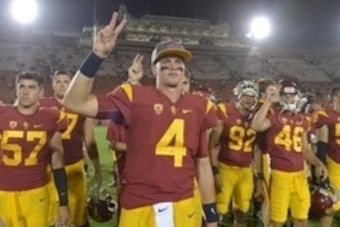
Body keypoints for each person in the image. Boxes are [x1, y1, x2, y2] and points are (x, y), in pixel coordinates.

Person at [62, 12, 218, 227]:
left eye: (178, 61)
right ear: (154, 68)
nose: (173, 66)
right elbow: (74, 102)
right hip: (140, 204)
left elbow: (202, 163)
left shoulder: (199, 105)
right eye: (166, 61)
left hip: (184, 203)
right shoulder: (134, 97)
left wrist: (211, 216)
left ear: (185, 70)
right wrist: (97, 55)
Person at [251, 79, 328, 227]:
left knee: (301, 219)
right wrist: (268, 102)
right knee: (277, 221)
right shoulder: (273, 116)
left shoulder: (303, 119)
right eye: (285, 95)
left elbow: (305, 149)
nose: (289, 98)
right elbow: (256, 125)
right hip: (280, 175)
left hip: (299, 176)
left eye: (291, 95)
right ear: (280, 96)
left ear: (297, 96)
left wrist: (319, 163)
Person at [0, 72, 70, 226]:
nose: (26, 92)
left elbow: (57, 162)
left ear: (41, 91)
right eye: (22, 87)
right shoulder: (2, 114)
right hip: (3, 192)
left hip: (37, 192)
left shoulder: (52, 116)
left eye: (32, 87)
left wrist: (63, 202)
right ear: (16, 90)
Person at [39, 70, 102, 227]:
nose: (61, 85)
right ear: (52, 84)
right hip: (49, 167)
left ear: (71, 85)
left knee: (78, 214)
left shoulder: (81, 106)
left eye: (66, 81)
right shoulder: (42, 104)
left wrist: (97, 168)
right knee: (49, 214)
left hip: (74, 166)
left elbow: (89, 139)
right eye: (58, 81)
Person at [209, 80, 260, 227]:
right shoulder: (224, 111)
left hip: (245, 169)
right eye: (245, 95)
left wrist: (259, 176)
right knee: (219, 209)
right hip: (225, 166)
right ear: (238, 95)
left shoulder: (257, 116)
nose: (248, 100)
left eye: (252, 97)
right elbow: (211, 145)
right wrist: (215, 171)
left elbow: (257, 148)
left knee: (242, 210)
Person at [313, 86, 340, 227]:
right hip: (334, 164)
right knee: (329, 205)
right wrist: (322, 167)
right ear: (335, 98)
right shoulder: (325, 115)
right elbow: (322, 145)